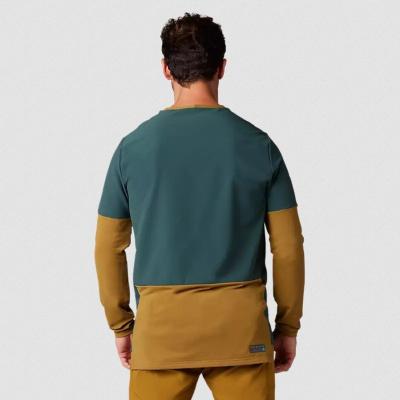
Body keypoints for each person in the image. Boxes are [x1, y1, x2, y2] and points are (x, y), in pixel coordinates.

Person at [94, 12, 305, 400]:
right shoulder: (260, 147)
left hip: (161, 335)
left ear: (166, 69)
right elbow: (289, 247)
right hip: (241, 333)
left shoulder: (131, 150)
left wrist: (121, 326)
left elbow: (108, 248)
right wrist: (287, 327)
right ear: (222, 67)